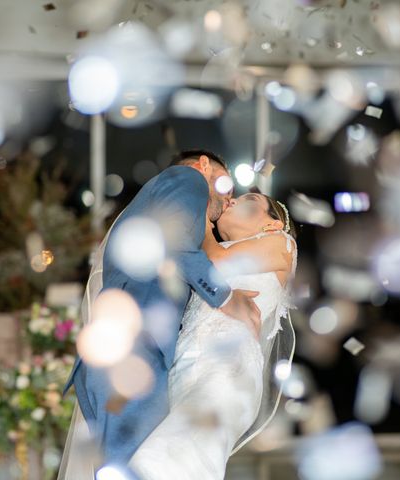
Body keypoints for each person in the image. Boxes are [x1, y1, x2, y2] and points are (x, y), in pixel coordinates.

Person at [58, 150, 262, 479]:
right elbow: (177, 246)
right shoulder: (187, 178)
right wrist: (226, 298)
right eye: (226, 186)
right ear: (205, 166)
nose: (229, 200)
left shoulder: (155, 204)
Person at [128, 192, 298, 480]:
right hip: (186, 368)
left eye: (250, 200)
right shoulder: (200, 261)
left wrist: (203, 223)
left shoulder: (281, 243)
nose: (232, 201)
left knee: (156, 461)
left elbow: (219, 262)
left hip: (228, 370)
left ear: (272, 225)